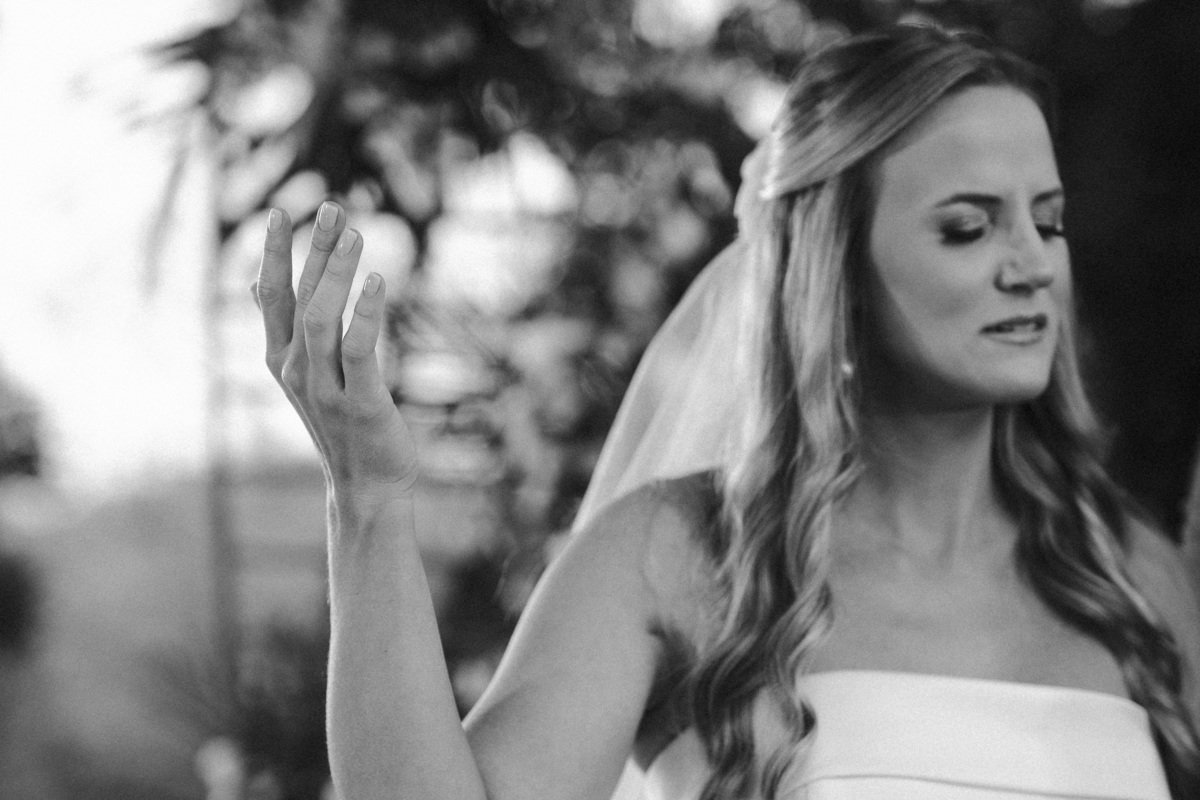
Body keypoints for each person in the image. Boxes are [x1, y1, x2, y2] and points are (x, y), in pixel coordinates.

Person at [251, 23, 1200, 800]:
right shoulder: (673, 554)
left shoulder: (1129, 578)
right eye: (968, 226)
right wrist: (365, 499)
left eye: (1048, 221)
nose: (1032, 263)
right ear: (834, 268)